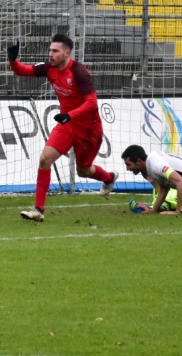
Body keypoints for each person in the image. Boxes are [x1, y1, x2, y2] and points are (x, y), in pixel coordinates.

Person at [8, 34, 118, 222]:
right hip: (67, 126)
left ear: (67, 53)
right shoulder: (48, 68)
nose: (50, 54)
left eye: (55, 51)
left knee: (83, 171)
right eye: (50, 50)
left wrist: (70, 115)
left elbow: (92, 103)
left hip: (89, 129)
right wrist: (12, 60)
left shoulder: (79, 72)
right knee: (44, 159)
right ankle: (38, 210)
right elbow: (22, 70)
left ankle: (109, 178)